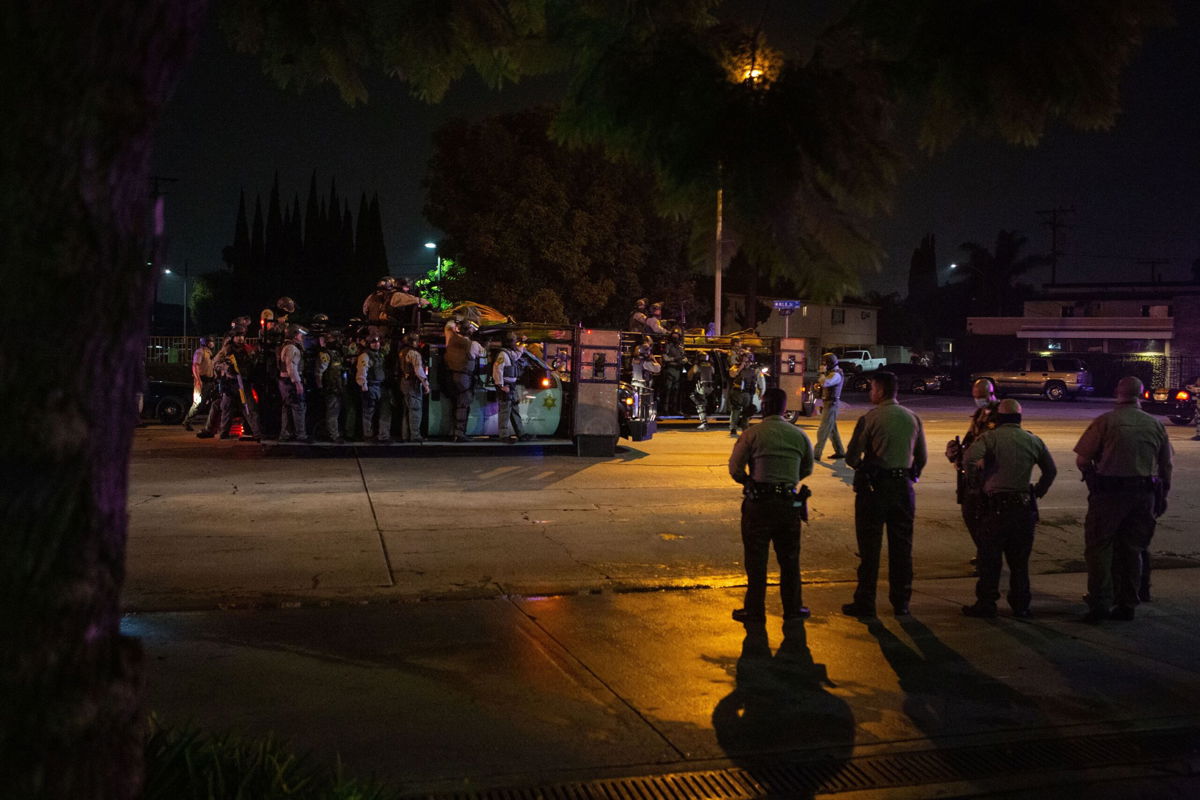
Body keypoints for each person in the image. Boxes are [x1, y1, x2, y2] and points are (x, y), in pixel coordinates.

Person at [1074, 376, 1173, 623]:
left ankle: (1100, 603)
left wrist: (1093, 479)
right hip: (1144, 494)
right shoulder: (1155, 424)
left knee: (1099, 548)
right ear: (1141, 394)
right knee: (1133, 550)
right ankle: (1127, 603)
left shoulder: (1106, 422)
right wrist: (1162, 496)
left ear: (1118, 392)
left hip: (1109, 493)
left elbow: (1083, 459)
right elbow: (1166, 466)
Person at [960, 399, 1056, 619]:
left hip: (995, 508)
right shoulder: (1033, 440)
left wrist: (976, 482)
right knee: (1019, 562)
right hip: (1023, 507)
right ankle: (1021, 605)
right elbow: (1050, 471)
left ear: (999, 419)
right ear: (1020, 418)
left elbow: (969, 459)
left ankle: (987, 603)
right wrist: (1037, 491)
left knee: (990, 559)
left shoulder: (990, 438)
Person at [842, 371, 927, 618]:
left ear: (879, 390)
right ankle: (901, 602)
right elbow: (921, 458)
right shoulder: (913, 418)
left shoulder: (870, 418)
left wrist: (865, 468)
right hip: (903, 489)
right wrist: (911, 475)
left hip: (875, 490)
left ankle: (866, 601)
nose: (871, 393)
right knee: (902, 548)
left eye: (872, 389)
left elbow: (851, 457)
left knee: (869, 550)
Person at [728, 387, 815, 623]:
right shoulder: (799, 435)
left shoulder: (752, 434)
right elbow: (807, 468)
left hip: (759, 503)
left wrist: (750, 480)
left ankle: (754, 610)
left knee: (756, 560)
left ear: (763, 407)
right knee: (789, 559)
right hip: (788, 503)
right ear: (785, 409)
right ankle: (793, 609)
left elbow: (735, 468)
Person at [945, 379, 1000, 557]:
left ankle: (988, 556)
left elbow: (999, 444)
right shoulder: (979, 413)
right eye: (975, 397)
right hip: (973, 475)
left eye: (981, 397)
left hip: (990, 476)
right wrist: (957, 453)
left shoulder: (1001, 414)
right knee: (969, 514)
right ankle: (984, 552)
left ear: (991, 393)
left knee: (985, 518)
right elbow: (971, 438)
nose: (978, 400)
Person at [198, 326, 261, 441]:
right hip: (231, 383)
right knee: (226, 408)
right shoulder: (226, 350)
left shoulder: (247, 349)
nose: (240, 338)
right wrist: (226, 366)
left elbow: (254, 363)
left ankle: (257, 433)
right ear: (233, 338)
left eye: (242, 336)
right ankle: (224, 433)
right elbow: (215, 363)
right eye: (238, 336)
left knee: (249, 408)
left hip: (244, 384)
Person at [444, 319, 485, 441]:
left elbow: (448, 326)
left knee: (454, 405)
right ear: (470, 332)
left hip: (450, 377)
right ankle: (460, 434)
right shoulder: (473, 345)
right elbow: (483, 354)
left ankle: (452, 432)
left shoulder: (451, 338)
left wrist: (456, 319)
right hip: (464, 378)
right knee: (463, 406)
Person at [276, 323, 310, 442]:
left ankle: (285, 434)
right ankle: (301, 435)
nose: (302, 336)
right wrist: (297, 382)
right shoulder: (292, 348)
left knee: (287, 407)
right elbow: (291, 366)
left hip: (285, 381)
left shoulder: (287, 346)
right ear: (294, 335)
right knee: (299, 407)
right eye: (300, 334)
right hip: (290, 382)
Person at [312, 325, 346, 444]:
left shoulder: (336, 353)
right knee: (332, 412)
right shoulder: (325, 354)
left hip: (337, 387)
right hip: (330, 388)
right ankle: (333, 435)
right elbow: (318, 373)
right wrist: (321, 387)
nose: (337, 341)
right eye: (335, 338)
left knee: (335, 411)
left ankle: (334, 432)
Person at [493, 333, 528, 443]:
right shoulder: (502, 354)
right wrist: (501, 386)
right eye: (513, 341)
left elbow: (517, 354)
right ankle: (503, 436)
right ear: (509, 342)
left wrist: (522, 343)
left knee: (514, 410)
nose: (515, 343)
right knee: (505, 411)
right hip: (506, 386)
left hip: (511, 386)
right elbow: (497, 369)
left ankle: (521, 434)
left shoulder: (509, 353)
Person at [356, 332, 391, 443]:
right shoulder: (365, 356)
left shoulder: (380, 354)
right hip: (370, 386)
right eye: (373, 342)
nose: (376, 344)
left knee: (385, 411)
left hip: (380, 386)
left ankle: (383, 435)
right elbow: (362, 371)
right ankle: (367, 435)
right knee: (368, 412)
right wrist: (364, 385)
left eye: (378, 341)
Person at [395, 332, 429, 442]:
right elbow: (419, 371)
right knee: (415, 410)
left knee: (406, 410)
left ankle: (405, 435)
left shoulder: (402, 352)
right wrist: (426, 385)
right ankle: (415, 435)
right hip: (412, 384)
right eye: (417, 341)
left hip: (404, 383)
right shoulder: (414, 353)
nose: (418, 343)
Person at [813, 353, 846, 460]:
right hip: (828, 403)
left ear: (829, 363)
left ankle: (816, 454)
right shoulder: (832, 373)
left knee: (823, 430)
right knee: (832, 430)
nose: (823, 365)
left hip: (832, 404)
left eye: (825, 363)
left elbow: (826, 383)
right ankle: (840, 451)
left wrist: (822, 373)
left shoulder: (836, 374)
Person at [183, 335, 216, 431]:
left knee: (206, 403)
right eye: (211, 341)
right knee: (197, 402)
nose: (212, 343)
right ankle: (187, 421)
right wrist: (198, 380)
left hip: (209, 381)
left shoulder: (209, 353)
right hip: (202, 381)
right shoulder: (200, 352)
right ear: (206, 343)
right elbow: (195, 366)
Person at [727, 349, 757, 437]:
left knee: (747, 412)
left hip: (747, 393)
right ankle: (733, 428)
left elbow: (754, 381)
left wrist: (755, 392)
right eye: (745, 359)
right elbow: (733, 374)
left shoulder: (753, 370)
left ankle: (745, 428)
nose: (746, 361)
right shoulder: (735, 367)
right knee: (736, 410)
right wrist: (741, 366)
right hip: (737, 392)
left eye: (748, 359)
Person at [659, 331, 686, 414]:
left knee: (676, 390)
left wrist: (684, 360)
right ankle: (665, 409)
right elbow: (665, 358)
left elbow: (684, 357)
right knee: (668, 390)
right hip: (670, 369)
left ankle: (675, 409)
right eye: (674, 338)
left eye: (677, 338)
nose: (676, 339)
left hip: (678, 370)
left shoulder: (680, 347)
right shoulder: (668, 346)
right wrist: (674, 359)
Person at [689, 350, 717, 430]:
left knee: (699, 403)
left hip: (701, 388)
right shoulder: (711, 366)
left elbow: (690, 377)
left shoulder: (697, 366)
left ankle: (704, 423)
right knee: (701, 402)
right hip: (710, 388)